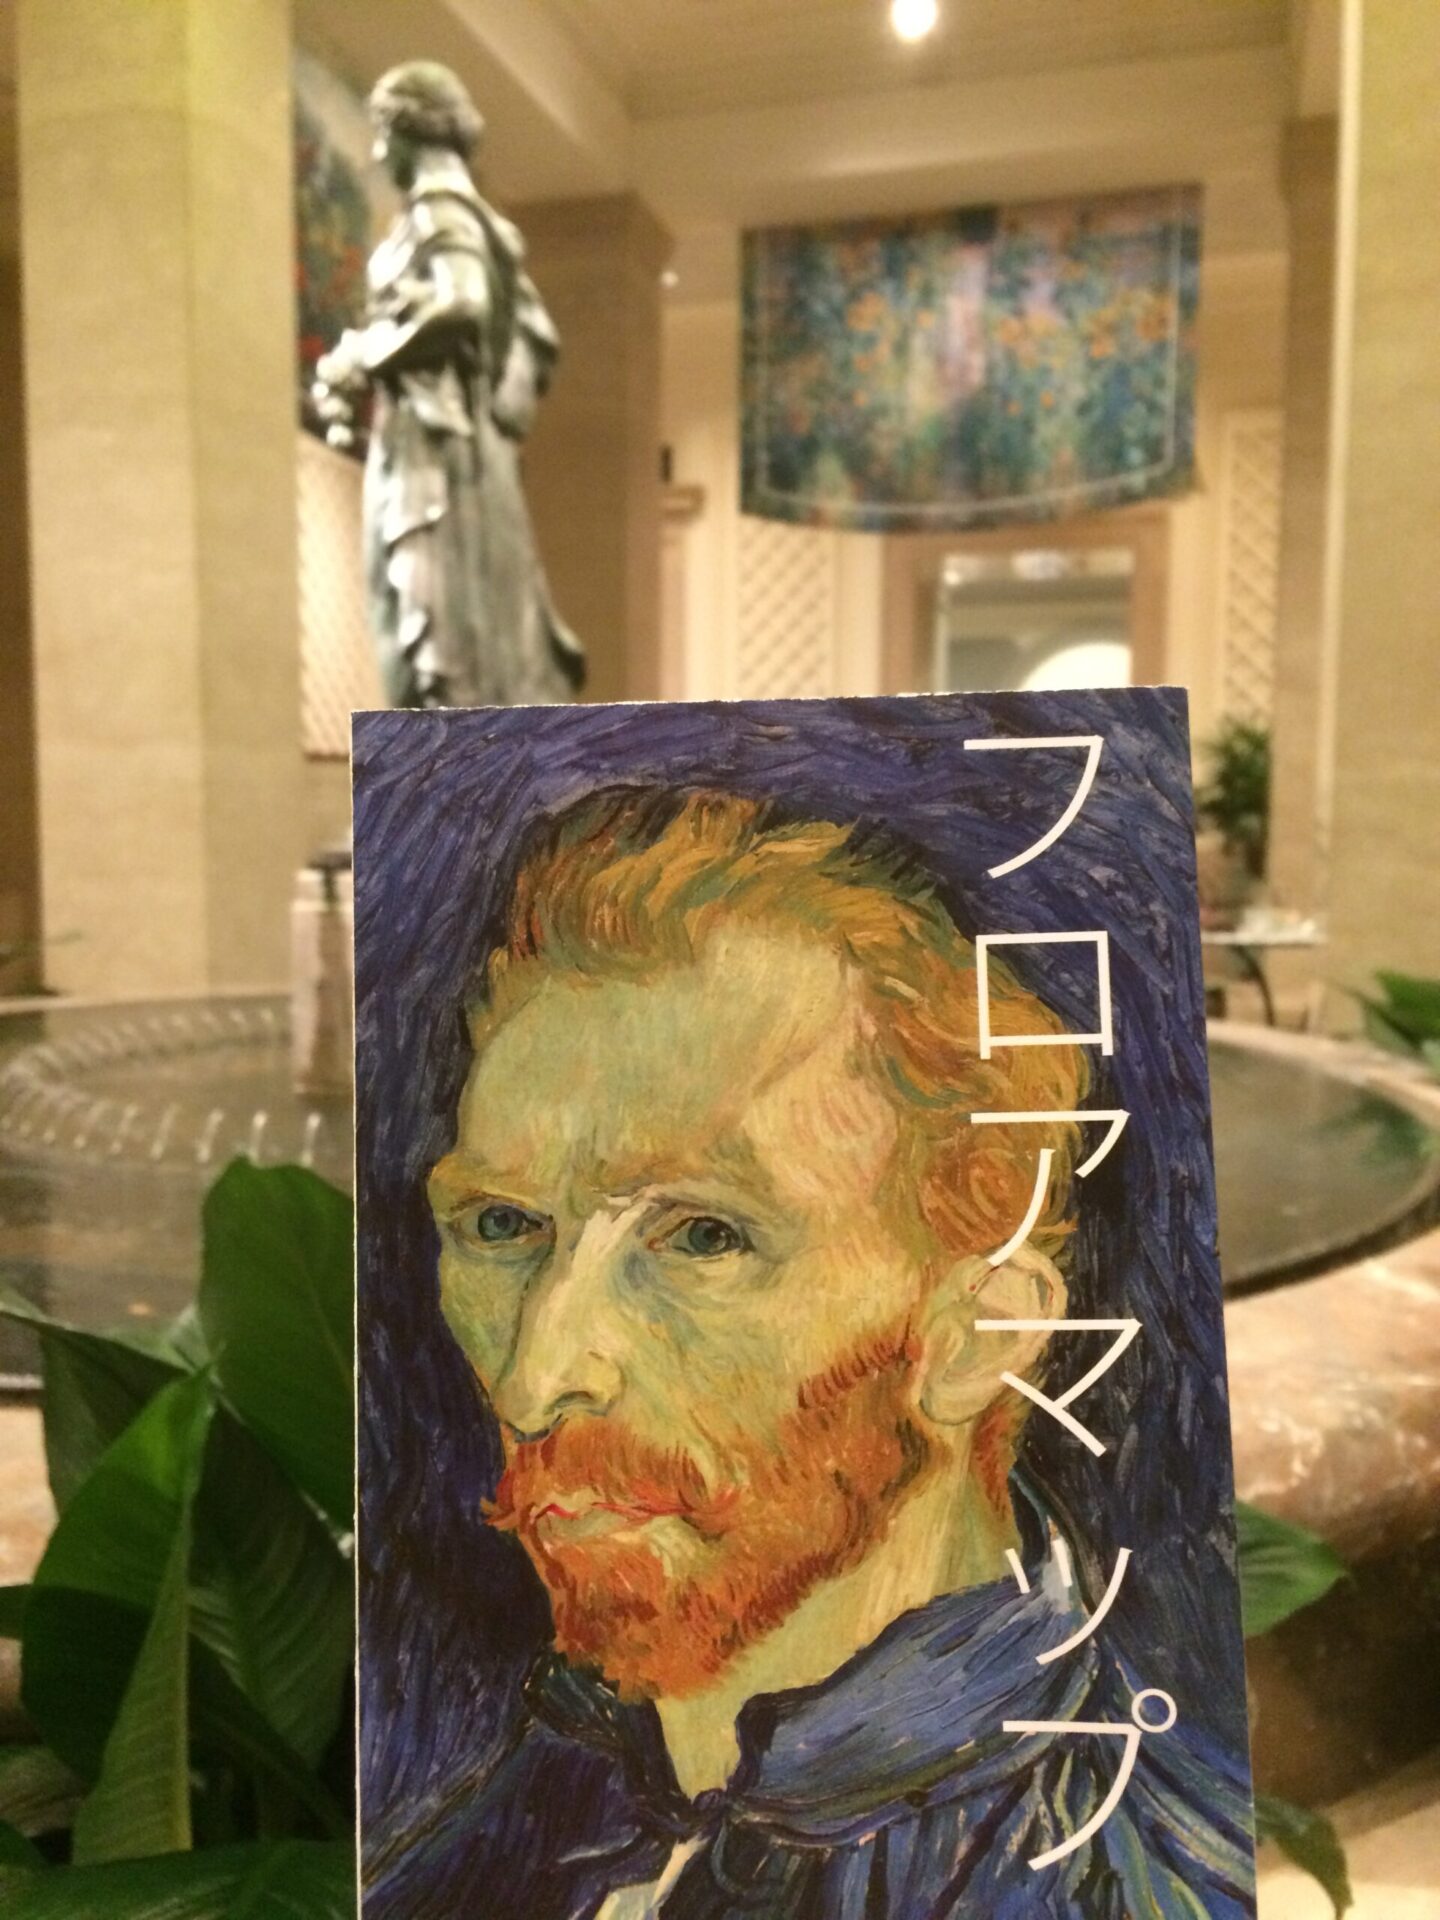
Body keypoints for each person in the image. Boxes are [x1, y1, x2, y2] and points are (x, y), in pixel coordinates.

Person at [366, 786, 1255, 1919]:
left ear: (974, 1334)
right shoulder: (512, 1828)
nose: (536, 1380)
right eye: (501, 1225)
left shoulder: (1110, 1883)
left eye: (705, 1237)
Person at [313, 61, 584, 709]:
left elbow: (462, 303)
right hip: (451, 447)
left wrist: (371, 358)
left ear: (409, 131)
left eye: (385, 135)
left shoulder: (440, 207)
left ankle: (435, 769)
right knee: (439, 637)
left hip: (434, 454)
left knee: (422, 637)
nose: (380, 154)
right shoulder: (467, 216)